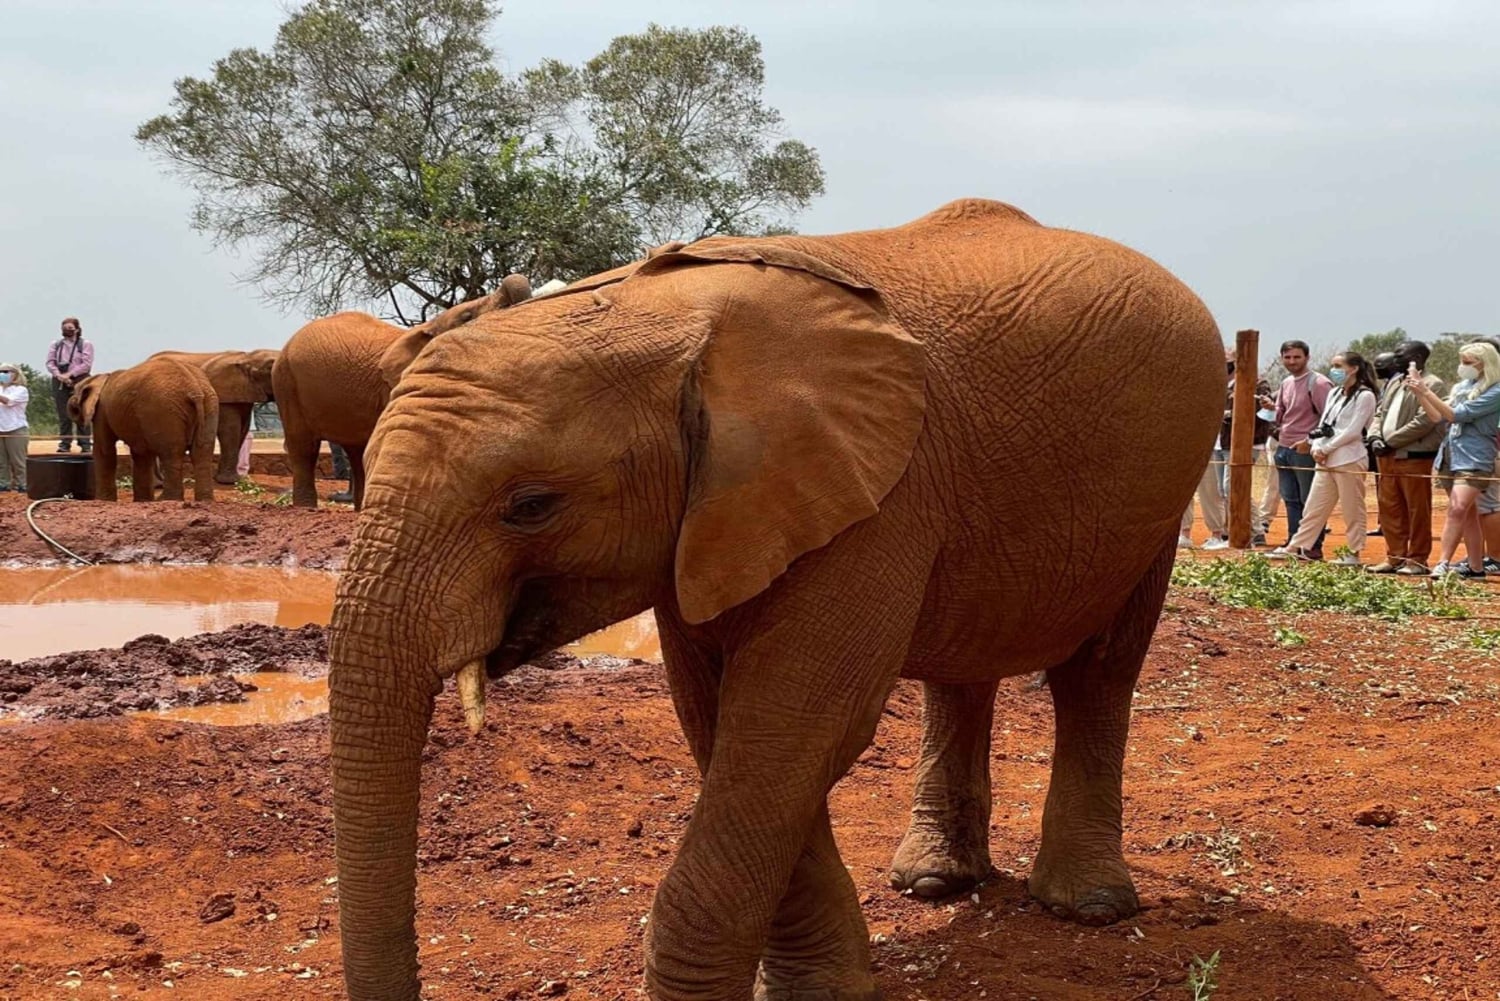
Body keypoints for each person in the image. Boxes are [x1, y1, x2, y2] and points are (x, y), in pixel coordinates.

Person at [1268, 352, 1379, 565]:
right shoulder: (1335, 393)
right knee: (1314, 506)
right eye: (1333, 365)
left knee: (1352, 507)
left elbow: (1353, 431)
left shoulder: (1365, 396)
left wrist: (1326, 448)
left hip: (1348, 458)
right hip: (1324, 459)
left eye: (1339, 365)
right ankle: (1297, 546)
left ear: (1354, 368)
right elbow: (1323, 425)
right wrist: (1315, 445)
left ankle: (1353, 553)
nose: (1334, 370)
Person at [1404, 341, 1500, 579]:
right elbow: (1438, 416)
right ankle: (1476, 567)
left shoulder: (1496, 390)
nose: (1463, 367)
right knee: (1467, 513)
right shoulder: (1462, 387)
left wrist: (1426, 391)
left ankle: (1443, 562)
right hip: (1450, 453)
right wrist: (1420, 393)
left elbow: (1458, 415)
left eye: (1468, 362)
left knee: (1457, 508)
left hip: (1475, 456)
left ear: (1484, 364)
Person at [1365, 341, 1445, 574]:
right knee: (1389, 508)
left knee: (1416, 510)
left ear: (1417, 356)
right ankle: (1394, 556)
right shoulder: (1395, 383)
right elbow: (1380, 413)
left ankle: (1417, 559)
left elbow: (1425, 420)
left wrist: (1391, 441)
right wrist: (1374, 437)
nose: (1395, 359)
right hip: (1386, 457)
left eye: (1401, 355)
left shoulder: (1433, 384)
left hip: (1413, 456)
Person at [1260, 340, 1333, 556]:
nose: (1292, 361)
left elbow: (1328, 419)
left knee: (1309, 499)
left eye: (1297, 357)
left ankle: (1312, 546)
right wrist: (1271, 408)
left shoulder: (1318, 383)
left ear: (1307, 358)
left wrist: (1310, 442)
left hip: (1304, 449)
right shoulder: (1286, 383)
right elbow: (1281, 414)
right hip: (1283, 446)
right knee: (1290, 498)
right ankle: (1294, 541)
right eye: (1288, 357)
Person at [1179, 351, 1232, 550]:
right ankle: (1184, 533)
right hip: (1188, 444)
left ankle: (1217, 533)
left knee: (1210, 491)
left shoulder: (1226, 389)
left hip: (1212, 446)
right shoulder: (1195, 387)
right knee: (1183, 492)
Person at [44, 317, 94, 452]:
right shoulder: (56, 344)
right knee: (63, 413)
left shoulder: (85, 344)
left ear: (77, 329)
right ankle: (65, 442)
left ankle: (85, 443)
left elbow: (86, 364)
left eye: (70, 329)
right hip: (59, 379)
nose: (67, 331)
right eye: (64, 328)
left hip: (79, 379)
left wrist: (70, 375)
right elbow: (50, 362)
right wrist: (59, 375)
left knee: (81, 411)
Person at [0, 363, 29, 492]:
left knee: (18, 461)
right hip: (1, 428)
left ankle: (22, 484)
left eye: (6, 372)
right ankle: (3, 484)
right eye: (1, 371)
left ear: (15, 374)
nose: (3, 374)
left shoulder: (21, 390)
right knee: (1, 461)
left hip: (16, 429)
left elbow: (8, 402)